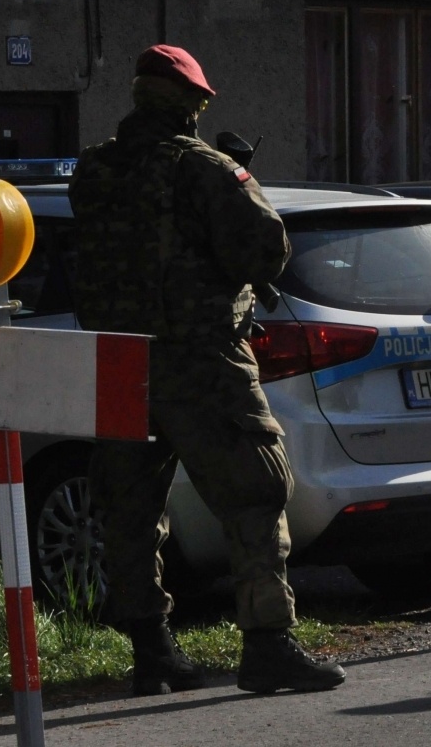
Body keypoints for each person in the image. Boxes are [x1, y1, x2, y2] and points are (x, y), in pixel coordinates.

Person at [70, 45, 346, 695]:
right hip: (199, 358)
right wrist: (236, 183)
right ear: (191, 104)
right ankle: (268, 643)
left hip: (118, 360)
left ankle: (152, 650)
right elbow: (266, 249)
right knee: (254, 492)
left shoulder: (94, 170)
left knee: (129, 508)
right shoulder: (205, 168)